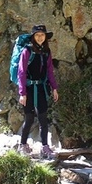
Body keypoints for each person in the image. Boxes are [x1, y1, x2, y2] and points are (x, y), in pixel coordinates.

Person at [17, 24, 59, 158]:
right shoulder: (27, 51)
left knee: (43, 118)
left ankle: (45, 146)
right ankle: (22, 145)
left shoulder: (46, 52)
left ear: (45, 36)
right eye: (37, 35)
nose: (40, 37)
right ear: (33, 37)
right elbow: (21, 72)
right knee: (29, 118)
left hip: (41, 88)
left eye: (42, 35)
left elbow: (50, 71)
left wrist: (54, 88)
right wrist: (22, 93)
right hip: (29, 88)